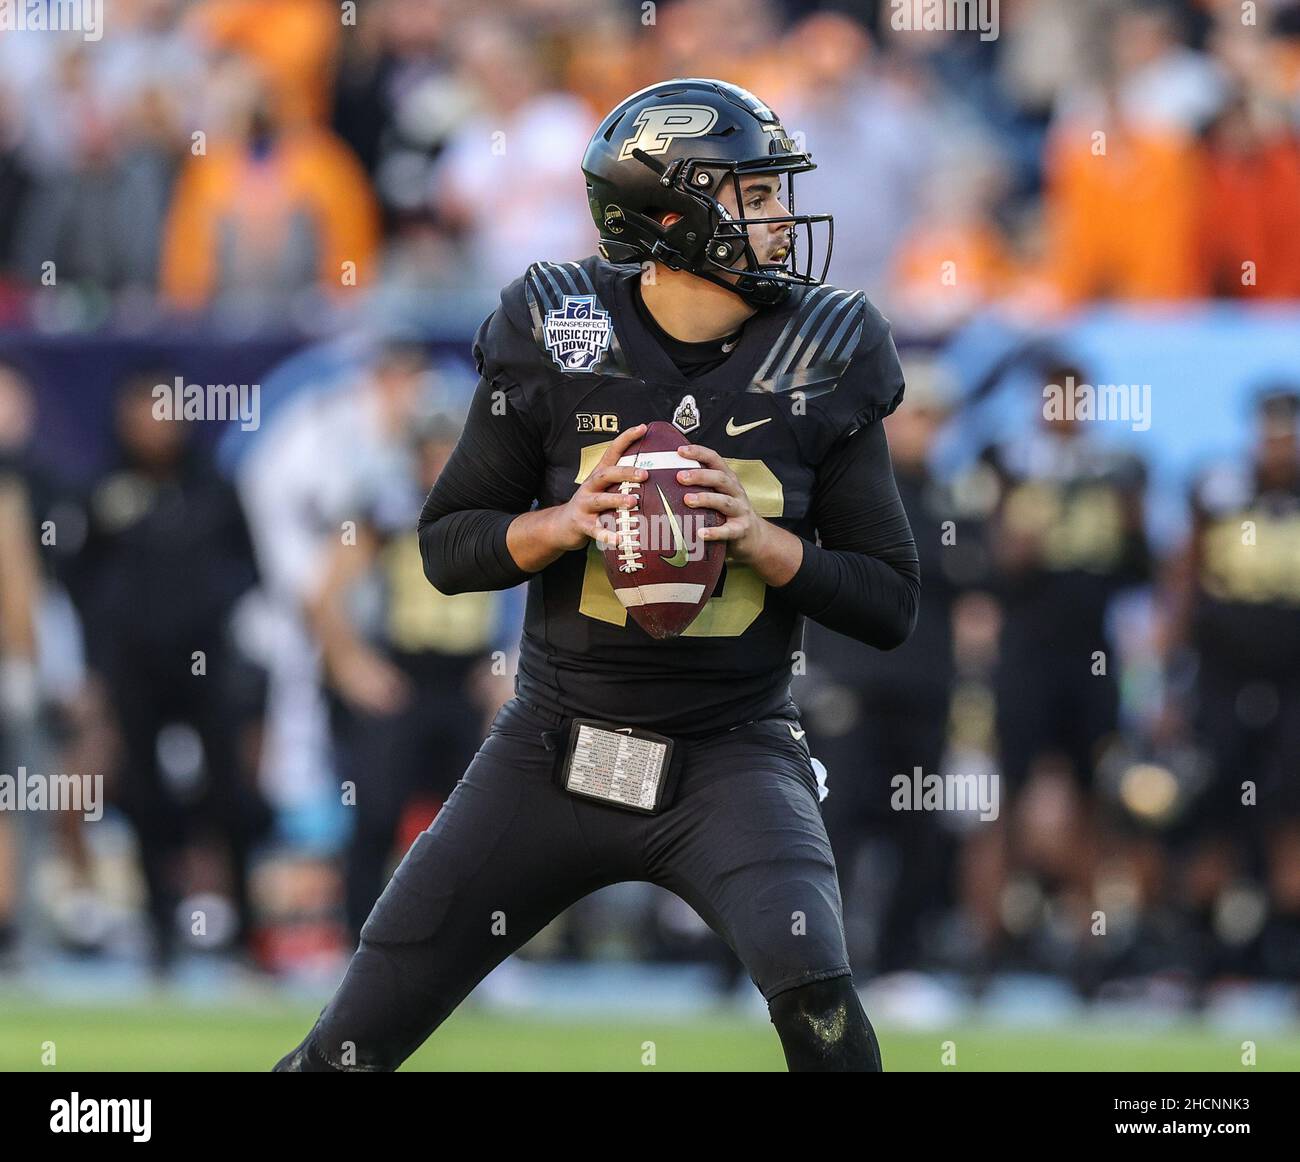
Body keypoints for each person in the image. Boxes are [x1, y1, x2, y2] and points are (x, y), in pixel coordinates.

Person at [276, 77, 919, 1073]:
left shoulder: (826, 348)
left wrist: (763, 542)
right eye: (751, 194)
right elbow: (449, 545)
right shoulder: (556, 325)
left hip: (731, 748)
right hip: (551, 744)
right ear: (670, 216)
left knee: (821, 1007)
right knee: (352, 1044)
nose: (780, 216)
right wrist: (561, 523)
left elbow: (889, 602)